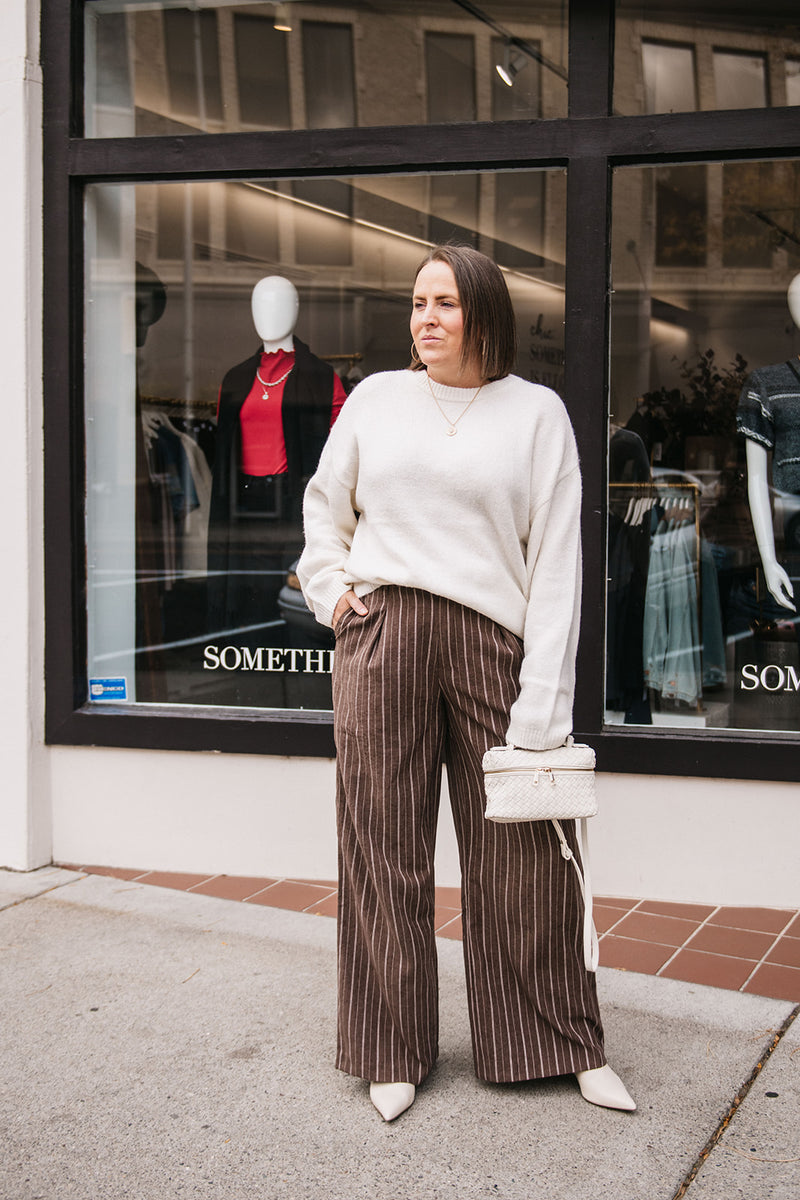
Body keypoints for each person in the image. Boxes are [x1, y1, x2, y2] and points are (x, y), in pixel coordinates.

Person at [297, 245, 635, 1122]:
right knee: (382, 848)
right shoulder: (375, 399)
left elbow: (557, 563)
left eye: (445, 303)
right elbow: (323, 511)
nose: (426, 319)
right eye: (417, 303)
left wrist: (543, 700)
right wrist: (335, 599)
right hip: (384, 634)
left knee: (523, 856)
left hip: (492, 642)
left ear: (484, 312)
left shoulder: (536, 414)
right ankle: (391, 1047)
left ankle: (558, 1042)